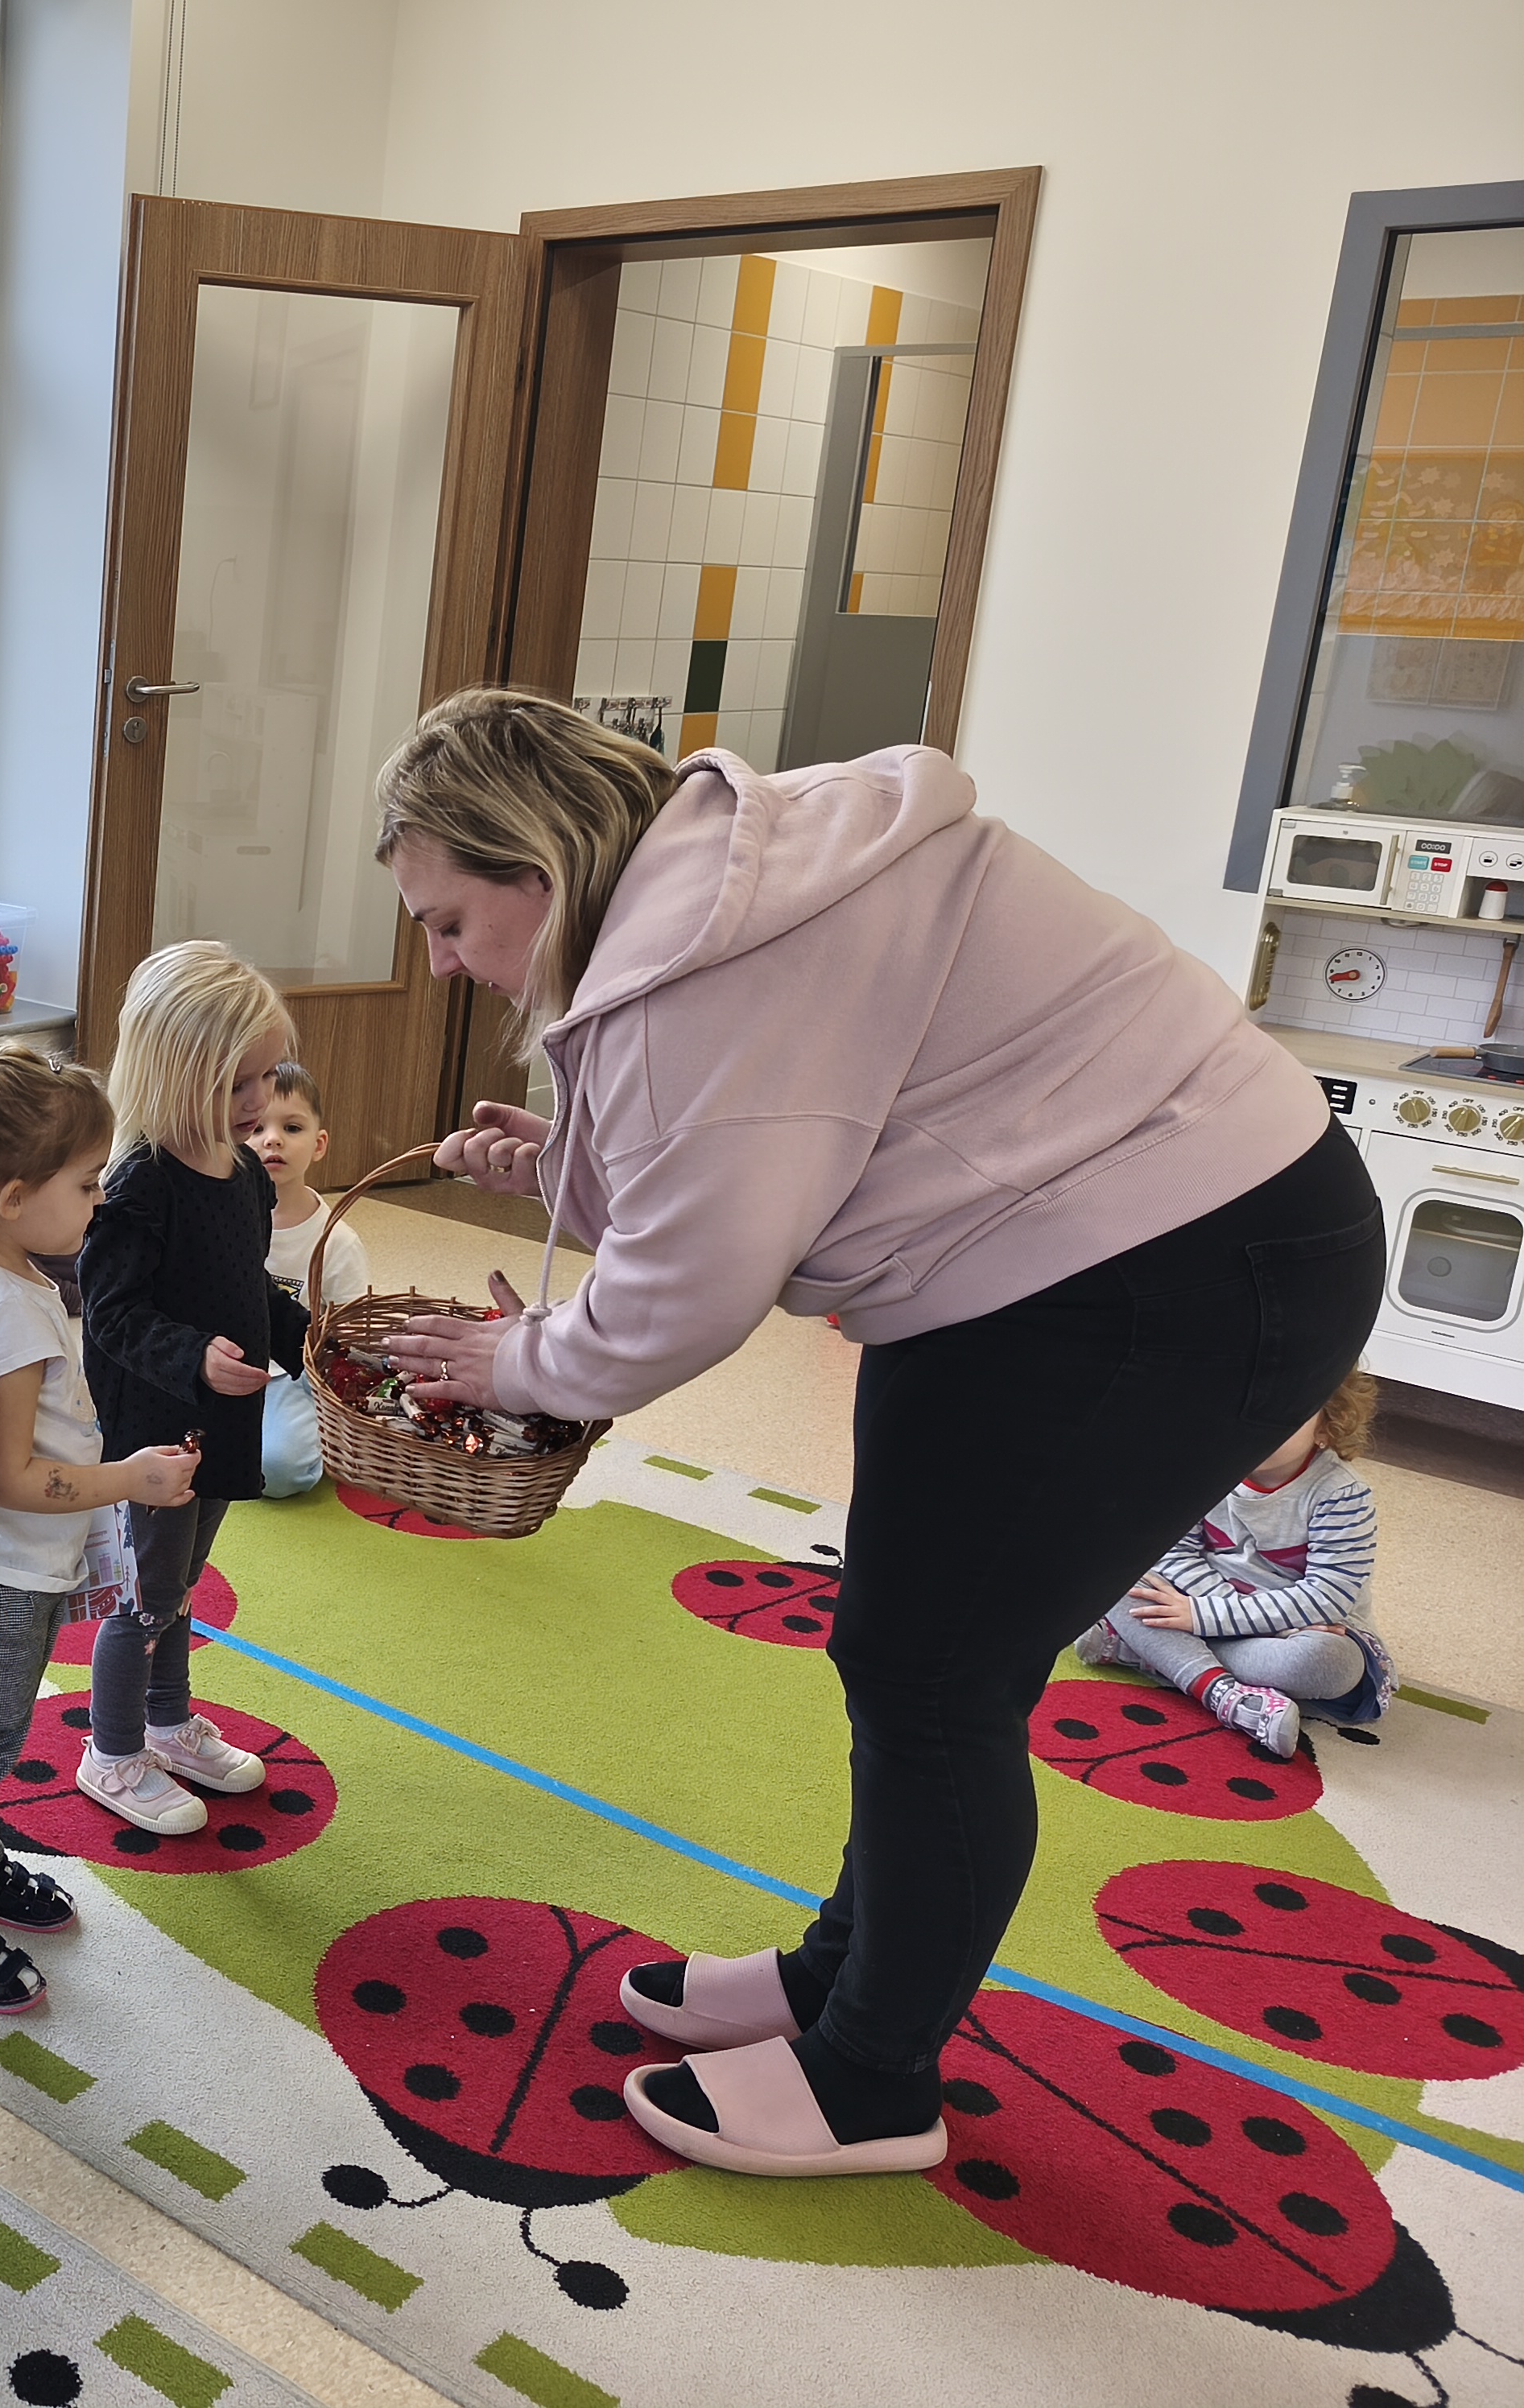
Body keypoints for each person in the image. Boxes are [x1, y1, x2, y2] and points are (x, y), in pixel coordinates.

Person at [367, 688, 1378, 2179]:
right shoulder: (745, 869)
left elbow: (684, 1296)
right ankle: (842, 1980)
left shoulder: (697, 965)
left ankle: (873, 2081)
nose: (446, 962)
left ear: (540, 867)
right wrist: (579, 1160)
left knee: (933, 1674)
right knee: (913, 1652)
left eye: (451, 922)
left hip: (1158, 1264)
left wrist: (515, 1363)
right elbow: (764, 1148)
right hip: (1108, 1239)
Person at [0, 1016, 201, 2013]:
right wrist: (132, 1480)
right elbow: (13, 1478)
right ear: (14, 1196)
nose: (101, 1198)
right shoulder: (10, 1309)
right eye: (86, 1182)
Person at [76, 942, 314, 1836]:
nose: (258, 1103)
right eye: (235, 1084)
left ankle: (168, 1723)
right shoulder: (139, 1184)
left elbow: (249, 1286)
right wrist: (193, 1358)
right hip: (154, 1428)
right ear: (176, 1070)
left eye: (267, 1078)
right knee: (146, 1593)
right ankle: (110, 1749)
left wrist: (307, 1340)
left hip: (222, 1418)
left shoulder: (245, 1174)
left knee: (183, 1583)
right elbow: (111, 1314)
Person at [1075, 1369, 1395, 1757]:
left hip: (1300, 1630)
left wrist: (1206, 1620)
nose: (1260, 1429)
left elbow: (1326, 1597)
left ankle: (1154, 1656)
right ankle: (1224, 1695)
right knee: (1111, 1569)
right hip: (1205, 1606)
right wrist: (1208, 1613)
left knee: (1325, 1662)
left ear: (1327, 1426)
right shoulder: (1205, 1465)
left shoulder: (1342, 1494)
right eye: (1247, 1411)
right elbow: (1172, 1551)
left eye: (1285, 1417)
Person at [249, 1061, 369, 1499]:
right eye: (257, 1128)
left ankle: (330, 1441)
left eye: (292, 1128)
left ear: (319, 1145)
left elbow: (351, 1339)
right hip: (225, 1365)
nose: (272, 1139)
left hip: (295, 1376)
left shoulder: (337, 1242)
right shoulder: (222, 1221)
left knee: (280, 1470)